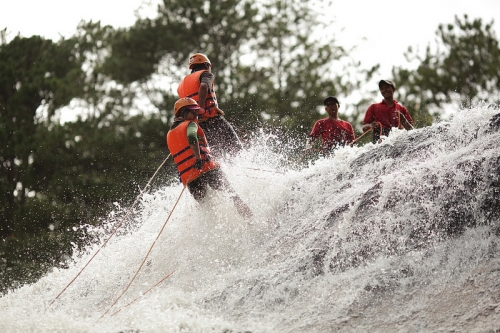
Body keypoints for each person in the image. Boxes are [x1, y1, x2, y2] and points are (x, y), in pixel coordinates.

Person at [166, 97, 252, 218]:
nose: (196, 115)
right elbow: (191, 137)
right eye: (193, 111)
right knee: (233, 195)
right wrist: (198, 158)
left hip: (191, 179)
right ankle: (251, 220)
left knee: (206, 210)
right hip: (205, 168)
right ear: (183, 112)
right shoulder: (190, 124)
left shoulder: (169, 134)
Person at [177, 53, 243, 159]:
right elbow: (203, 86)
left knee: (215, 155)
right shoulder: (205, 74)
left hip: (199, 127)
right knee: (236, 149)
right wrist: (200, 108)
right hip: (214, 121)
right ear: (206, 65)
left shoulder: (181, 86)